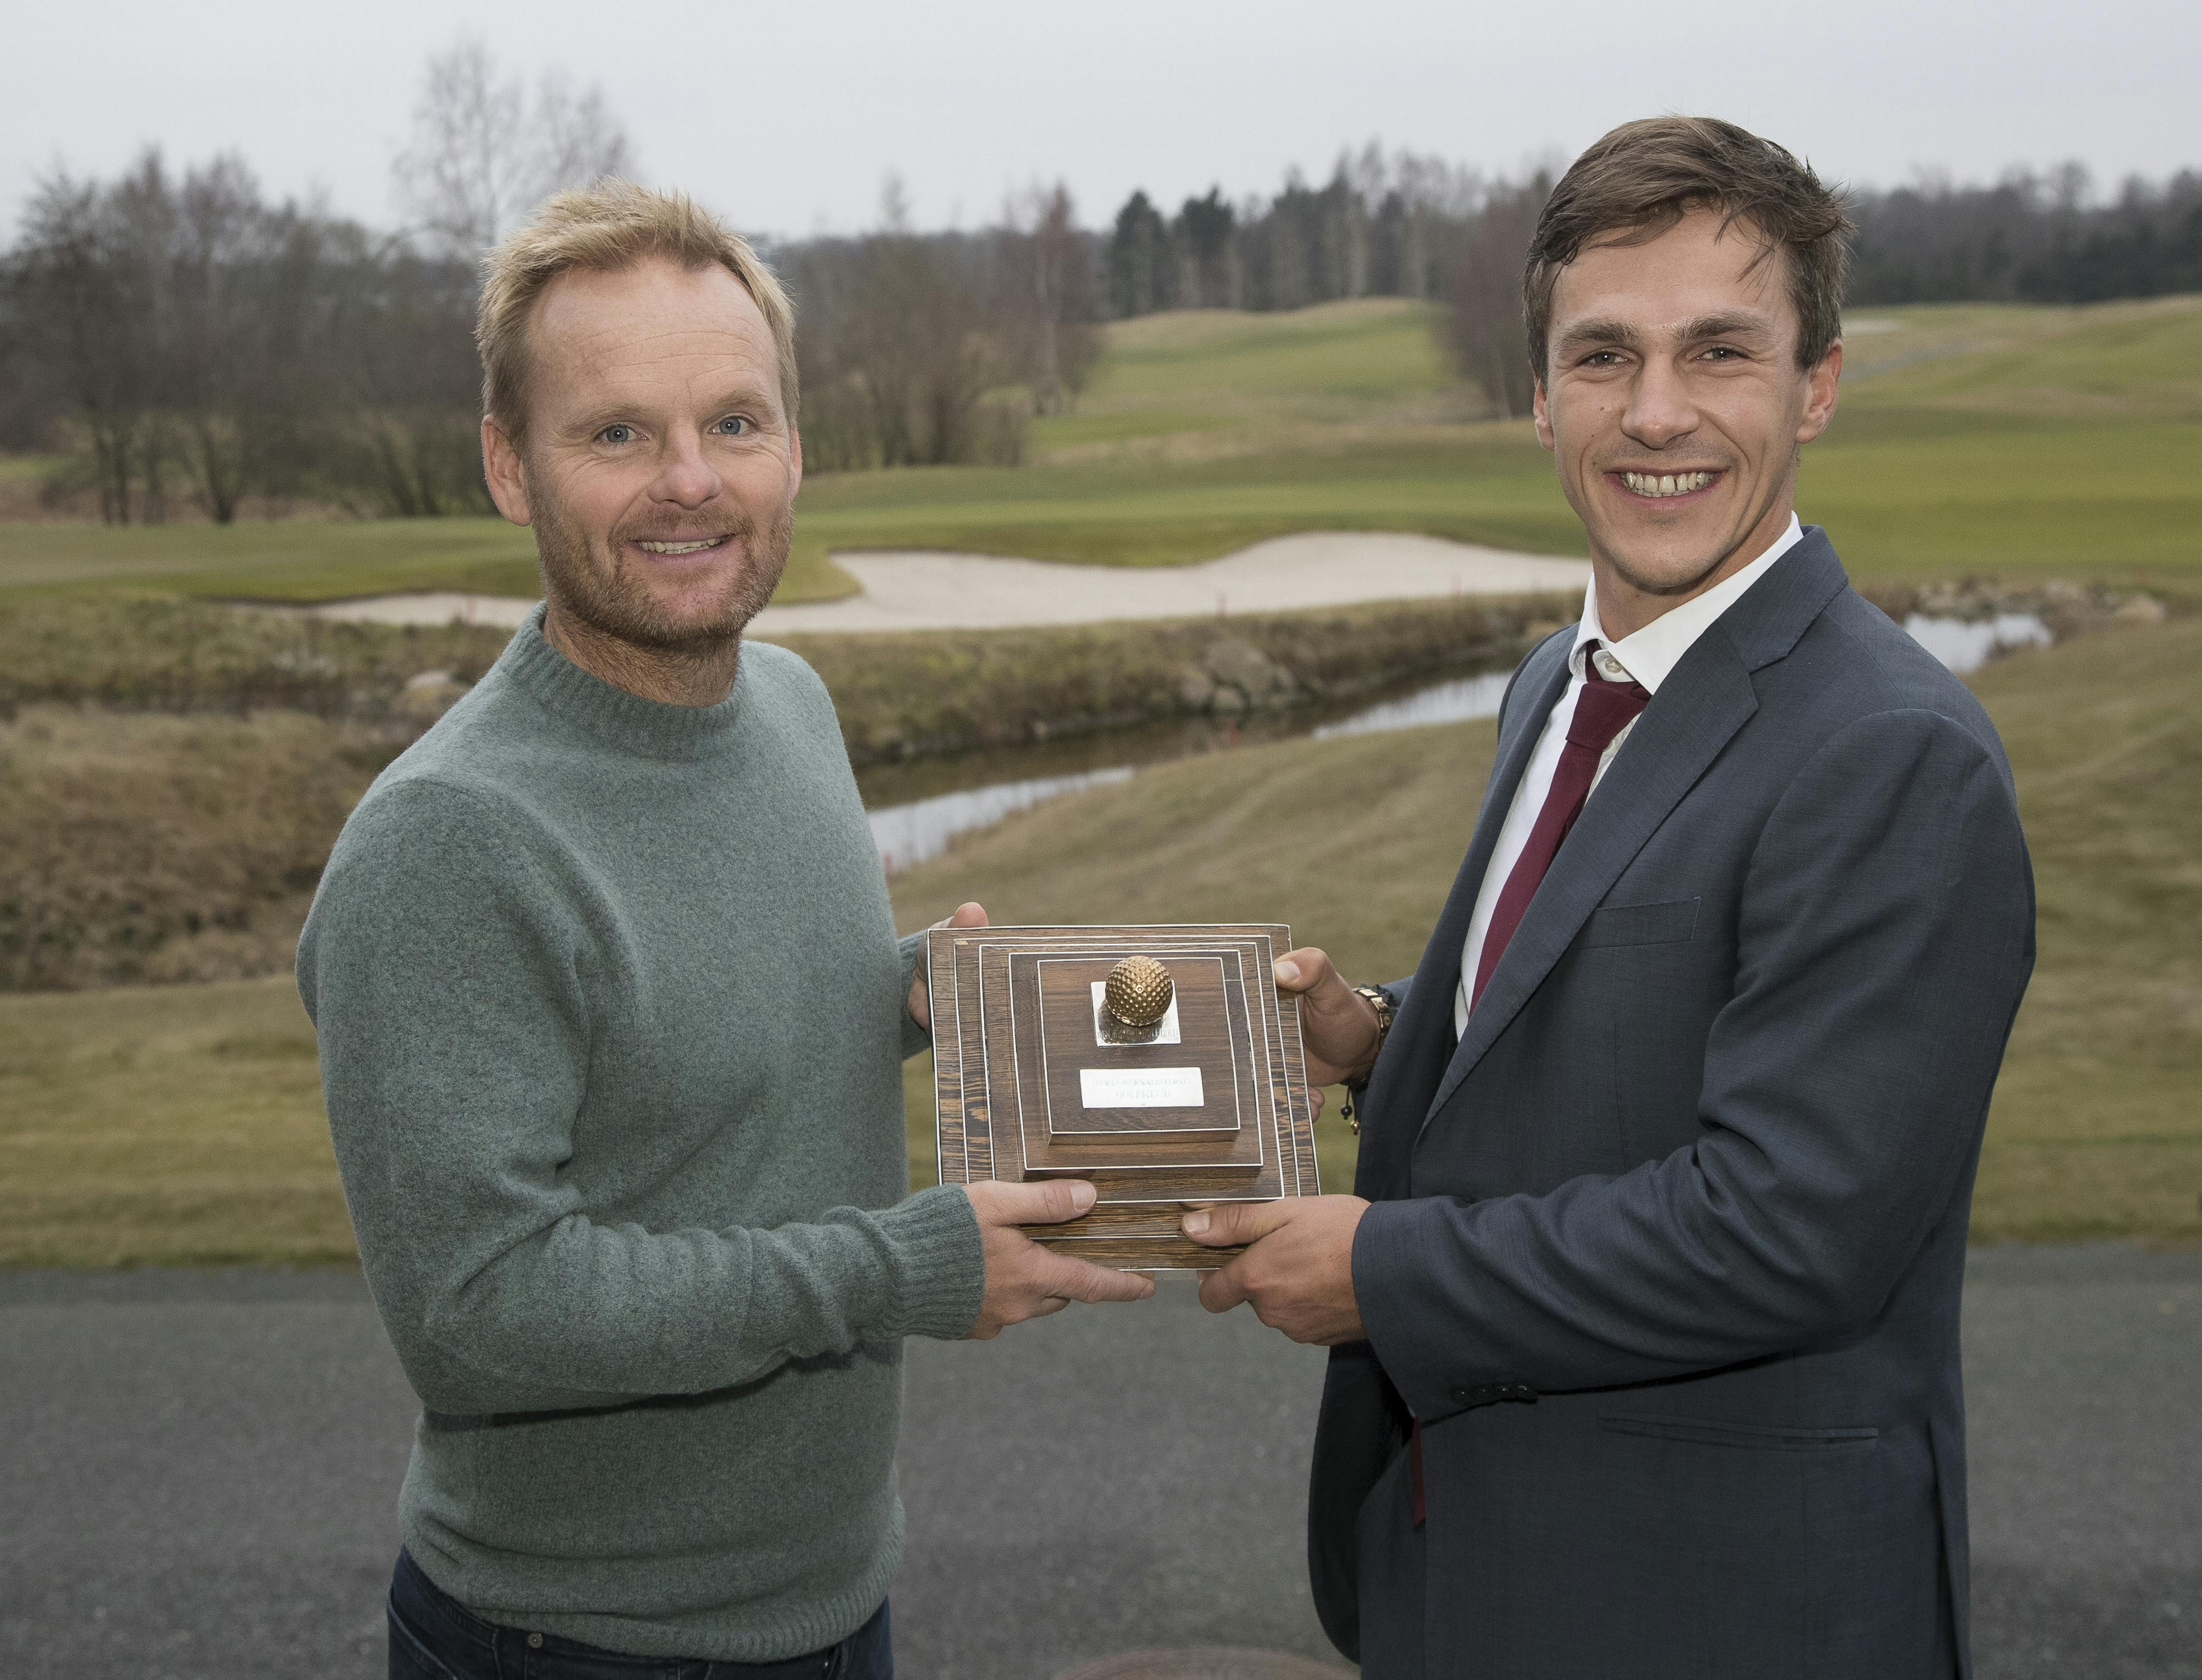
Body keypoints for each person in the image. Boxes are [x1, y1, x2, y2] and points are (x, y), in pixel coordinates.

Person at [1179, 117, 2034, 1676]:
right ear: (1538, 393)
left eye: (1718, 351)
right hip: (1473, 1568)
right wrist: (1376, 1041)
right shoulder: (1559, 687)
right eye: (1601, 356)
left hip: (1717, 1609)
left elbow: (1785, 1230)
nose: (1655, 413)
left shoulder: (1893, 752)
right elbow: (1599, 1034)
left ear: (1816, 386)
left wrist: (1375, 1270)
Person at [297, 180, 1150, 1680]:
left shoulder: (793, 707)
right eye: (616, 431)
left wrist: (914, 994)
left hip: (831, 1595)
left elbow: (715, 1025)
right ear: (511, 465)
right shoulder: (449, 842)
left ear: (794, 445)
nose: (689, 479)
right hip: (579, 1640)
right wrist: (899, 1268)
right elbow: (483, 1310)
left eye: (734, 423)